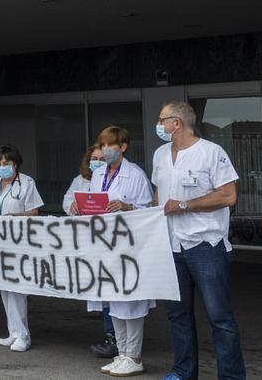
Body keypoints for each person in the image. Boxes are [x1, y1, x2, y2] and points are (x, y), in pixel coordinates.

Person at [152, 101, 245, 380]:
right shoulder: (159, 154)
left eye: (162, 120)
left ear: (176, 123)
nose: (159, 125)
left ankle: (231, 376)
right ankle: (183, 372)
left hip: (205, 246)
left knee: (220, 318)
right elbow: (158, 198)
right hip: (171, 246)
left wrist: (184, 205)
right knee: (178, 316)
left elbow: (228, 196)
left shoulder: (210, 153)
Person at [85, 127, 153, 377]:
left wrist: (126, 206)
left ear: (123, 147)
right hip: (104, 247)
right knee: (113, 304)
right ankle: (122, 354)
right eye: (101, 146)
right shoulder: (98, 173)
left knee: (130, 305)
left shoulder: (135, 174)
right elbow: (93, 202)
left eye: (109, 146)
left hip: (129, 248)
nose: (104, 151)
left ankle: (134, 356)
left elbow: (149, 211)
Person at [0, 144, 43, 352]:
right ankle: (13, 331)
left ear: (15, 163)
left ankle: (23, 336)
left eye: (6, 163)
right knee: (5, 288)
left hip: (20, 243)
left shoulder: (27, 183)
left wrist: (15, 218)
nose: (2, 166)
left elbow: (34, 212)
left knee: (18, 289)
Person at [66, 144, 120, 360]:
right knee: (105, 292)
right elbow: (67, 200)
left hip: (114, 241)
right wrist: (72, 206)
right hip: (92, 241)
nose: (96, 162)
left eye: (100, 158)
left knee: (115, 290)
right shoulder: (80, 181)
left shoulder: (118, 177)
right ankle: (111, 337)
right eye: (93, 158)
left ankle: (121, 340)